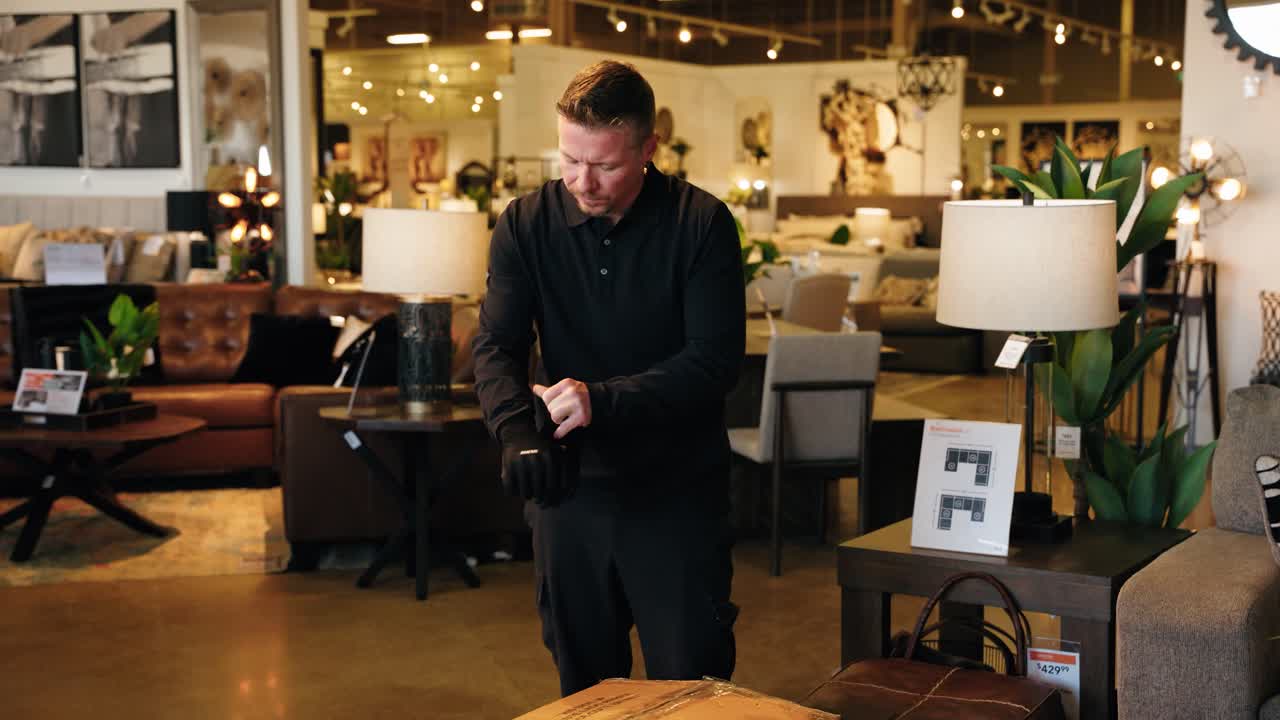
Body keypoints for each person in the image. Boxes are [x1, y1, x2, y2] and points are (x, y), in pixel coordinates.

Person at [472, 60, 746, 698]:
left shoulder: (700, 224)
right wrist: (514, 429)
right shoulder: (525, 223)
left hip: (677, 493)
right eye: (569, 159)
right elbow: (496, 343)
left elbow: (713, 363)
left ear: (649, 148)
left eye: (605, 165)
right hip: (571, 497)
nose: (581, 182)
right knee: (588, 691)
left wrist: (601, 401)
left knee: (693, 689)